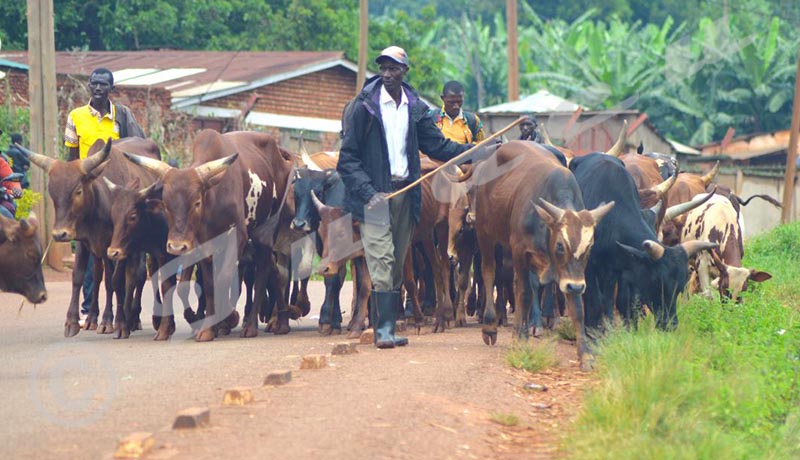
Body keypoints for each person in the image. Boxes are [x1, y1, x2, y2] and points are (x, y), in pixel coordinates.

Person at [337, 46, 475, 349]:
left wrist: (474, 152)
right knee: (382, 259)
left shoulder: (416, 108)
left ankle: (384, 326)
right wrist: (368, 193)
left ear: (404, 71)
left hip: (406, 194)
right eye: (383, 68)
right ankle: (383, 329)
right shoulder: (364, 107)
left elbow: (438, 147)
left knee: (397, 260)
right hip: (373, 198)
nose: (387, 74)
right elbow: (346, 160)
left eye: (393, 69)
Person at [64, 67, 145, 314]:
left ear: (112, 89)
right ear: (89, 86)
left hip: (116, 189)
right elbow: (71, 156)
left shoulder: (122, 115)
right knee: (89, 247)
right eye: (94, 83)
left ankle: (123, 305)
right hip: (88, 189)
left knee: (117, 247)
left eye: (103, 84)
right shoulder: (76, 116)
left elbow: (136, 147)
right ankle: (90, 306)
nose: (98, 88)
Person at [0, 154, 22, 219]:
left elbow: (12, 179)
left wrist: (16, 189)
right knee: (5, 213)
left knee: (11, 207)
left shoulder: (1, 162)